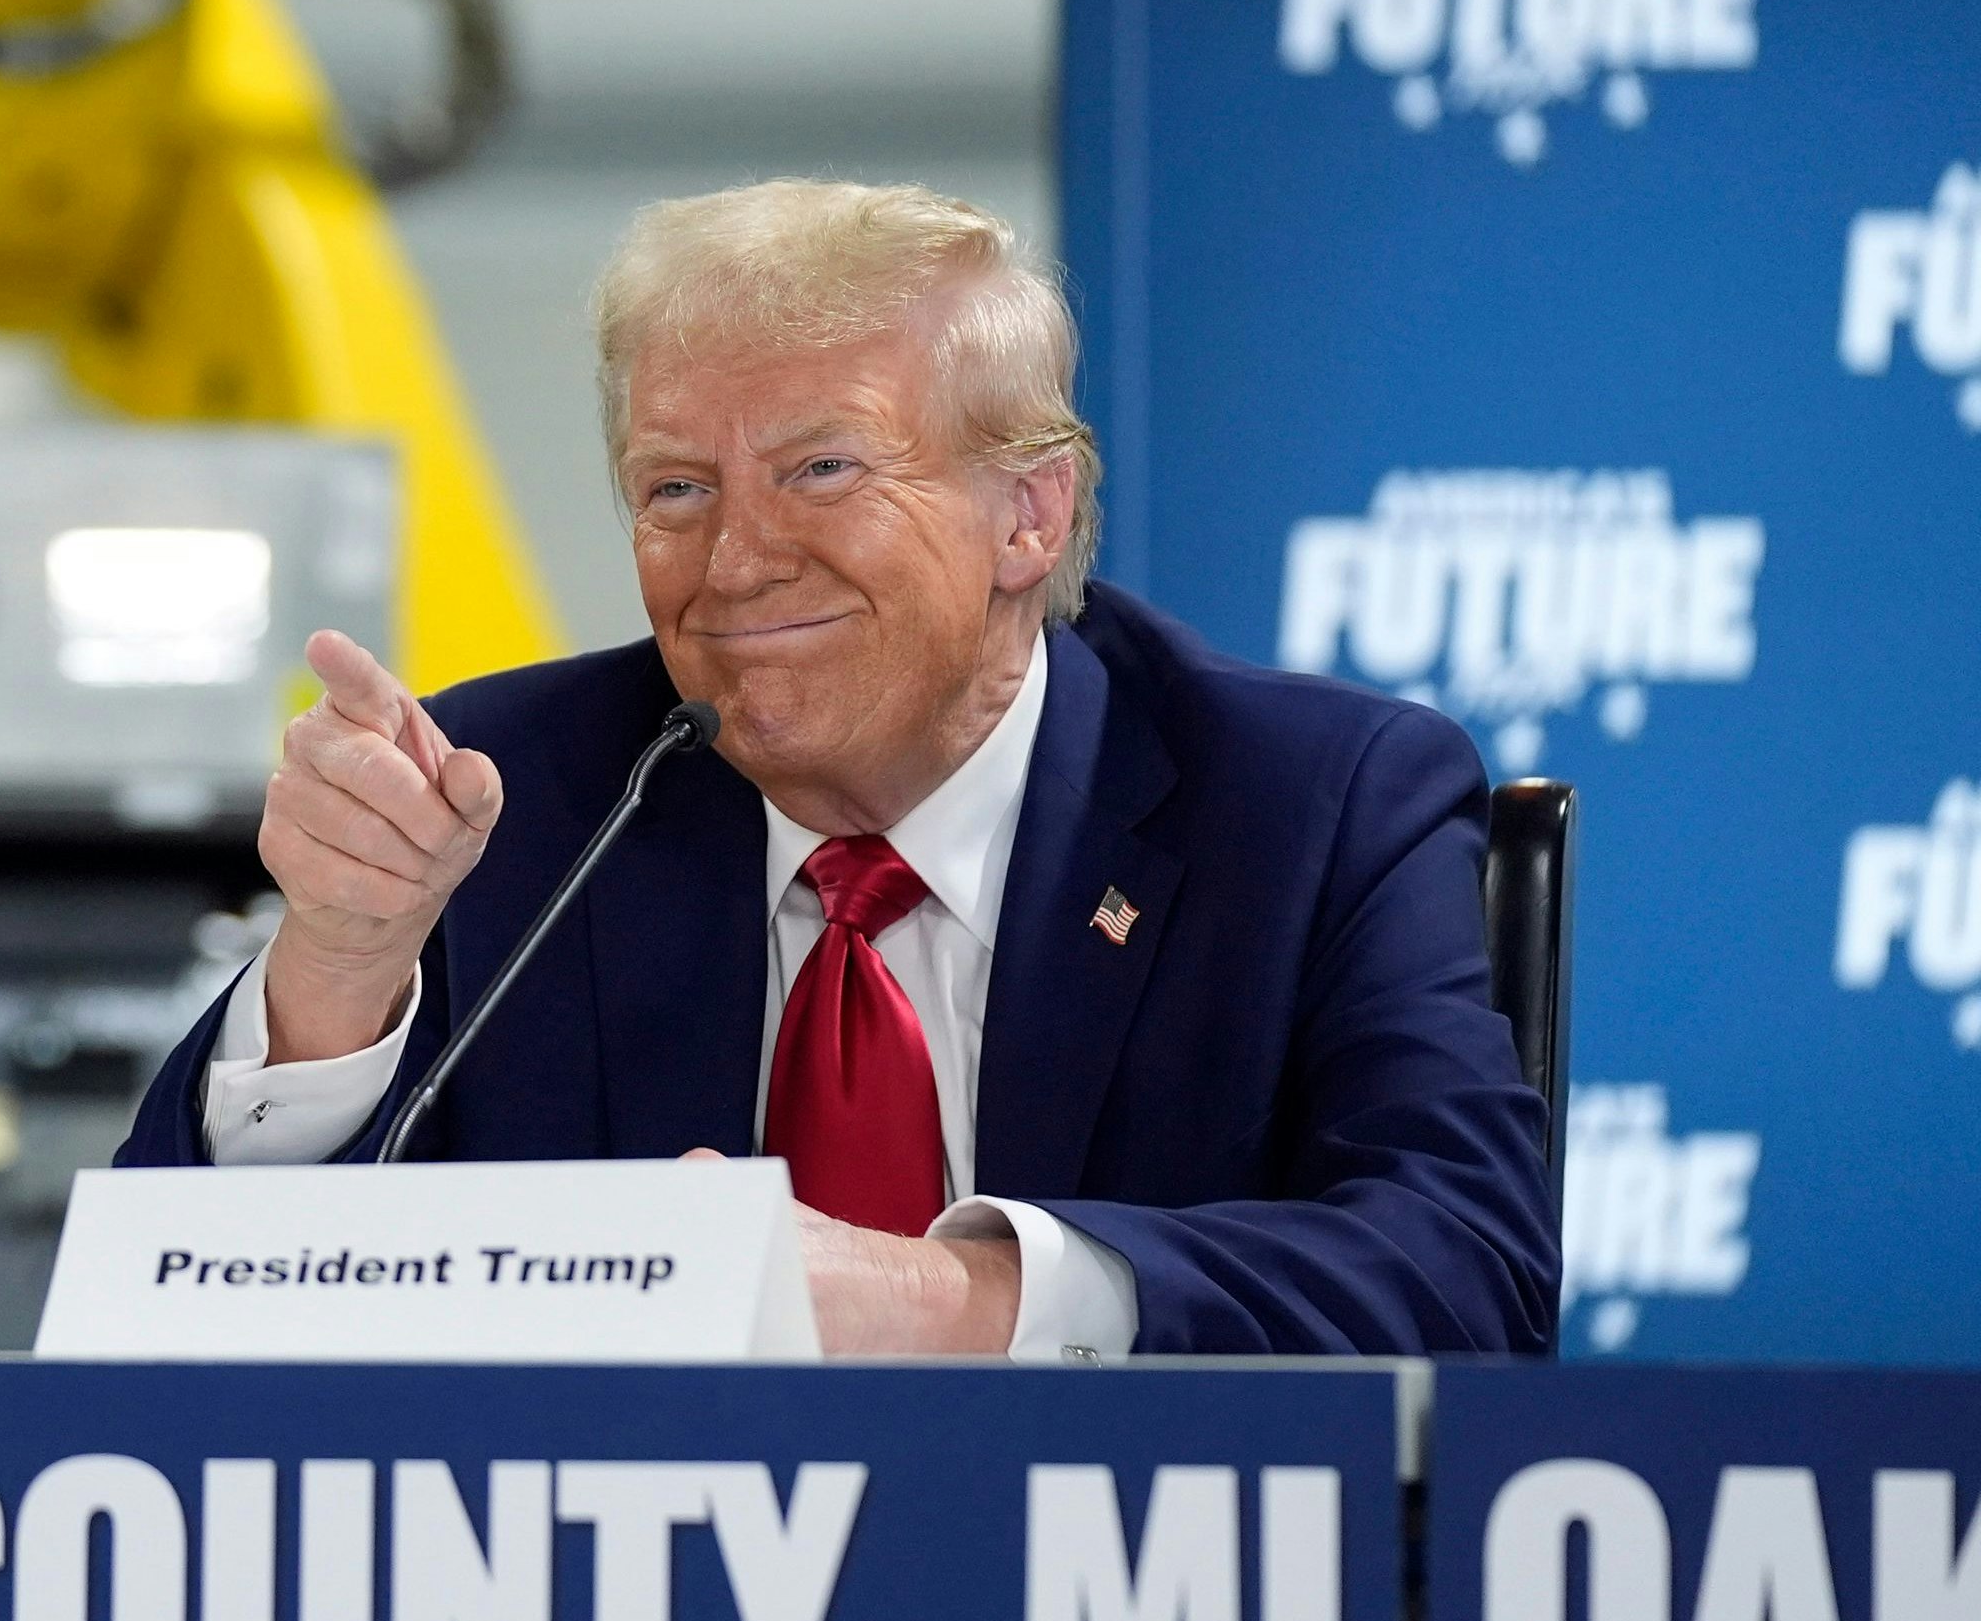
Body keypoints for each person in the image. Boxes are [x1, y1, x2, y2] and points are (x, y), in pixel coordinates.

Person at [116, 180, 1558, 1358]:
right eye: (677, 487)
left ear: (1027, 514)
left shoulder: (1307, 804)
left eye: (822, 472)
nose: (733, 561)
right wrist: (340, 974)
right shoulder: (514, 798)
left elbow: (1466, 1277)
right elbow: (166, 1332)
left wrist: (947, 1301)